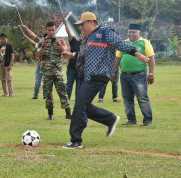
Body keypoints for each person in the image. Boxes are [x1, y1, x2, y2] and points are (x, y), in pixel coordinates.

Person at [62, 12, 149, 149]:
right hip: (85, 75)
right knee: (84, 106)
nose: (81, 28)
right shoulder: (87, 37)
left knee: (79, 105)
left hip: (98, 75)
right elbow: (84, 54)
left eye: (82, 24)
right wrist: (72, 55)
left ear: (91, 22)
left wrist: (137, 53)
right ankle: (110, 119)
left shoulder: (105, 31)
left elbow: (120, 44)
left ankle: (76, 140)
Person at [113, 23, 155, 126]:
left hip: (139, 75)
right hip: (124, 75)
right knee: (127, 98)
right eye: (130, 31)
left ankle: (147, 121)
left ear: (139, 32)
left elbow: (151, 58)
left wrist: (151, 73)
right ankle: (131, 120)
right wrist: (114, 72)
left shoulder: (144, 42)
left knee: (142, 98)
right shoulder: (123, 43)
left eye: (134, 32)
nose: (132, 33)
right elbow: (117, 58)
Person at [36, 21, 71, 120]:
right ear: (46, 30)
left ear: (55, 30)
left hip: (57, 72)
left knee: (62, 92)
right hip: (46, 72)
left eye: (53, 30)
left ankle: (68, 113)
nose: (51, 32)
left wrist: (59, 44)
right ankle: (50, 114)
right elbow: (37, 56)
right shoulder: (42, 42)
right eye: (49, 30)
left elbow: (66, 53)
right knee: (48, 93)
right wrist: (43, 46)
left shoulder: (60, 41)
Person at [20, 25, 45, 99]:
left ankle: (45, 95)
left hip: (46, 66)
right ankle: (35, 95)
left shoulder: (48, 45)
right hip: (39, 66)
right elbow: (32, 36)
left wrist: (26, 33)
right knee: (37, 82)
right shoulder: (39, 44)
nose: (42, 39)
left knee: (45, 83)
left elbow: (33, 36)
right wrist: (26, 31)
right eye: (43, 38)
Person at [63, 20, 81, 100]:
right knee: (69, 85)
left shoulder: (87, 45)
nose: (82, 35)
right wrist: (66, 24)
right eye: (81, 34)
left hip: (80, 69)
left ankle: (78, 100)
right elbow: (68, 32)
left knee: (79, 86)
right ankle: (67, 100)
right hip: (71, 68)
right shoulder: (74, 41)